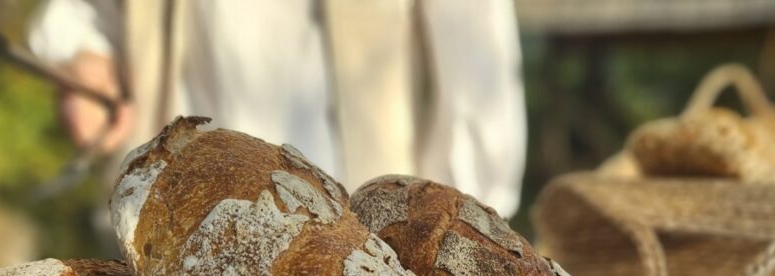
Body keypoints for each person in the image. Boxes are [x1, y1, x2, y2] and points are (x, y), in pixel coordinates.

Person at [28, 0, 527, 217]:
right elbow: (88, 12)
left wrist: (463, 209)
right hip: (172, 212)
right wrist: (87, 54)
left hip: (356, 224)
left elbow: (476, 58)